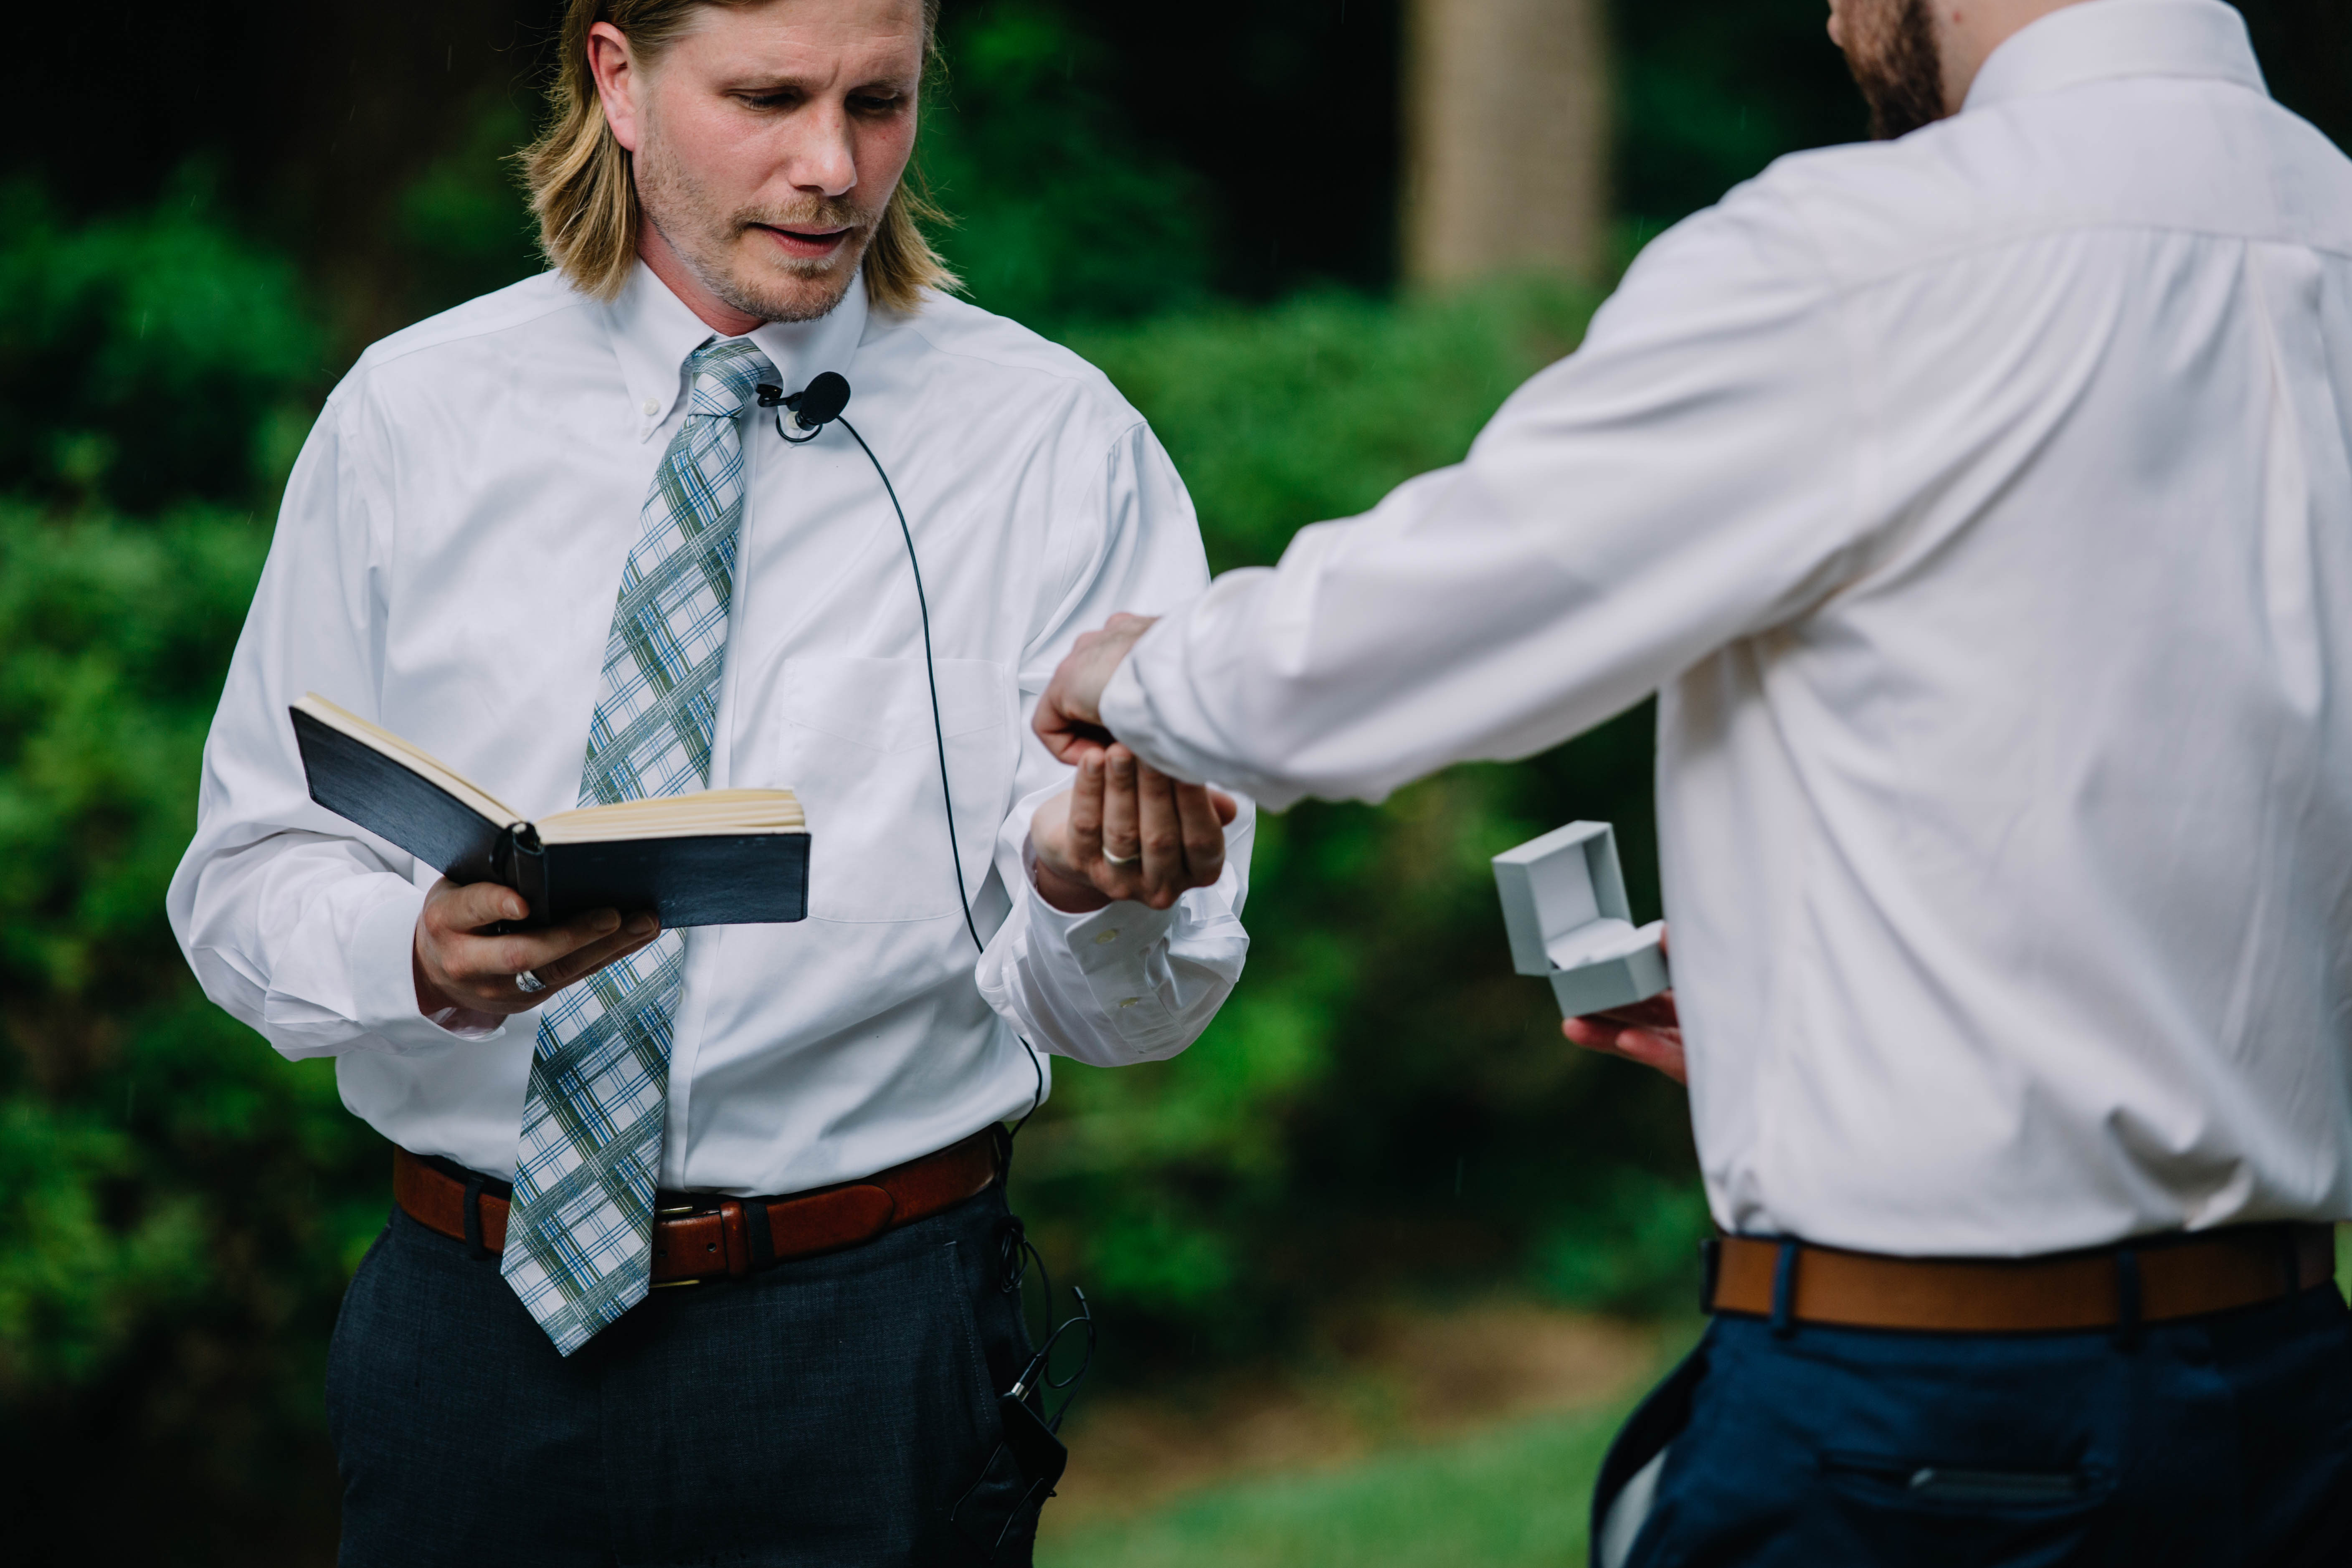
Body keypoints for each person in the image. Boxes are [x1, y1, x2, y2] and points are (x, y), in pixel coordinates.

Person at [1035, 0, 2352, 1562]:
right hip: (2294, 1408)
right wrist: (1849, 1017)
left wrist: (1133, 669)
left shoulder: (1872, 254)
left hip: (1928, 1442)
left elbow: (1406, 639)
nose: (1839, 17)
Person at [166, 0, 1253, 1562]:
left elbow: (1140, 1015)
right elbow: (239, 878)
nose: (833, 167)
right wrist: (408, 953)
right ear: (617, 78)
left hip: (871, 1342)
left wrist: (1093, 891)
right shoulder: (414, 416)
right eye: (768, 98)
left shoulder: (1054, 444)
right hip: (468, 1338)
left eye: (879, 103)